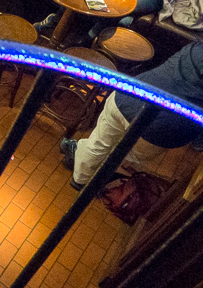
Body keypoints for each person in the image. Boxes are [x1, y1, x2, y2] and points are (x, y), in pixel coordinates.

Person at [61, 42, 203, 190]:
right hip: (162, 132)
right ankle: (94, 172)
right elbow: (198, 142)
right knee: (122, 153)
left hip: (129, 97)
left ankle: (79, 177)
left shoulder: (194, 48)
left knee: (99, 143)